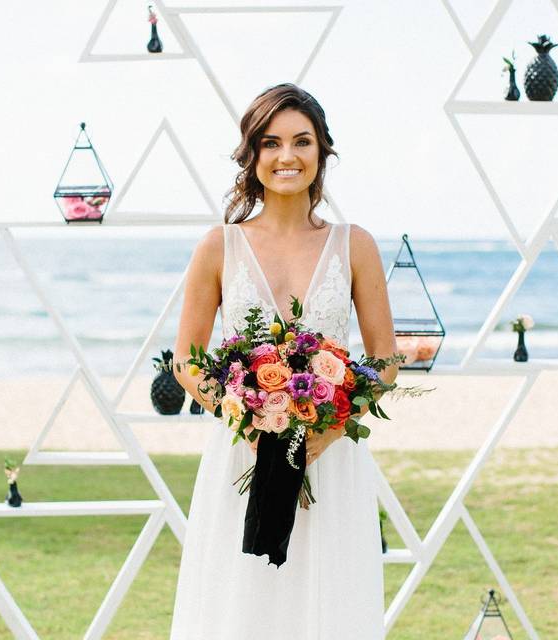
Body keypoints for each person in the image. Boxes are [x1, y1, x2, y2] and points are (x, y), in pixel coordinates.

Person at [169, 83, 399, 640]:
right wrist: (244, 416)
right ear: (253, 155)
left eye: (302, 141)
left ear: (322, 152)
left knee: (327, 601)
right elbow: (187, 360)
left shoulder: (356, 245)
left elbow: (386, 360)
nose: (287, 156)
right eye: (271, 143)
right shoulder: (218, 246)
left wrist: (333, 425)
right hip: (242, 458)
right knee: (242, 604)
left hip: (330, 458)